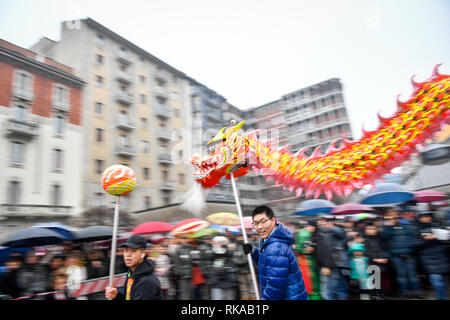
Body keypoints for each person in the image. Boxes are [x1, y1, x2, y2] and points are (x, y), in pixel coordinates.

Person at [243, 206, 308, 300]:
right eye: (256, 223)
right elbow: (267, 263)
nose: (259, 227)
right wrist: (253, 251)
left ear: (273, 220)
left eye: (263, 221)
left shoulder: (276, 247)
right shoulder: (267, 240)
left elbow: (275, 287)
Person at [380, 206, 424, 299]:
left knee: (413, 274)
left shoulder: (406, 223)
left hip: (409, 253)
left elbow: (413, 235)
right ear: (388, 216)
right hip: (396, 255)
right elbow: (384, 238)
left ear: (398, 214)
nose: (393, 215)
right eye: (391, 214)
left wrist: (412, 247)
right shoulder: (386, 226)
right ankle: (405, 293)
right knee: (401, 275)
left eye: (395, 213)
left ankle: (417, 293)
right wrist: (389, 227)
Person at [105, 235, 162, 300]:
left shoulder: (147, 281)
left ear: (143, 253)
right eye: (126, 250)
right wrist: (117, 296)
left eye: (133, 250)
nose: (128, 255)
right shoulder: (131, 273)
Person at [415, 211, 449, 300]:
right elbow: (415, 244)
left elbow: (445, 241)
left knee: (443, 281)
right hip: (428, 257)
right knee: (437, 280)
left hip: (441, 255)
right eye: (425, 216)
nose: (428, 218)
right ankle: (441, 297)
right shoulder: (416, 229)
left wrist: (445, 236)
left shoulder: (437, 226)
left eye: (429, 216)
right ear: (420, 218)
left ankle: (442, 295)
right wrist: (427, 239)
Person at [315, 215, 350, 300]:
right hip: (336, 263)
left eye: (321, 220)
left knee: (330, 290)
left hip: (330, 264)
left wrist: (326, 266)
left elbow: (327, 249)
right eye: (318, 220)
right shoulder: (326, 232)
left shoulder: (325, 232)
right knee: (337, 288)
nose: (319, 222)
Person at [295, 220, 321, 300]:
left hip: (303, 260)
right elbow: (302, 248)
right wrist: (307, 250)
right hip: (305, 260)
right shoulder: (305, 234)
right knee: (310, 281)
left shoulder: (303, 232)